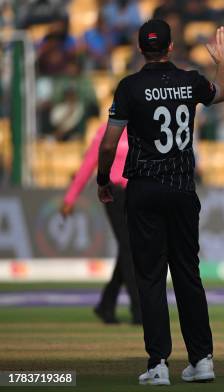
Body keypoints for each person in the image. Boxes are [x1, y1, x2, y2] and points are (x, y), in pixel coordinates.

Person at [96, 19, 224, 385]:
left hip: (143, 190)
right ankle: (202, 360)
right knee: (188, 275)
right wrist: (223, 61)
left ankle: (158, 364)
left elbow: (108, 144)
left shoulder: (129, 86)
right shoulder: (189, 80)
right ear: (171, 47)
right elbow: (220, 93)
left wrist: (102, 178)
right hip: (182, 189)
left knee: (151, 278)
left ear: (141, 49)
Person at [61, 122, 140, 325]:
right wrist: (70, 198)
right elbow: (89, 164)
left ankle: (106, 304)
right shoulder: (106, 131)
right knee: (129, 247)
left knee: (128, 248)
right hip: (114, 193)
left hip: (137, 193)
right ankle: (138, 310)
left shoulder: (141, 125)